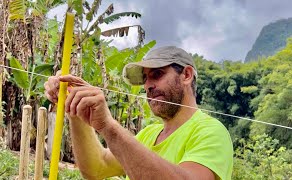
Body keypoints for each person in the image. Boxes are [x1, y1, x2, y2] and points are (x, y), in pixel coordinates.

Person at [44, 46, 233, 180]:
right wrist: (75, 109)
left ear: (186, 75)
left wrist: (109, 127)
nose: (148, 85)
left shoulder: (211, 132)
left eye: (157, 74)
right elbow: (97, 168)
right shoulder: (149, 134)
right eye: (146, 79)